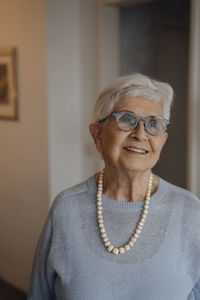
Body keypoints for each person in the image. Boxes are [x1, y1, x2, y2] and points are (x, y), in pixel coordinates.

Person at [27, 73, 200, 300]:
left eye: (153, 124)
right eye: (126, 119)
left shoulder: (190, 210)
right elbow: (39, 295)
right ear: (97, 135)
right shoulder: (66, 208)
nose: (140, 134)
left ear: (163, 141)